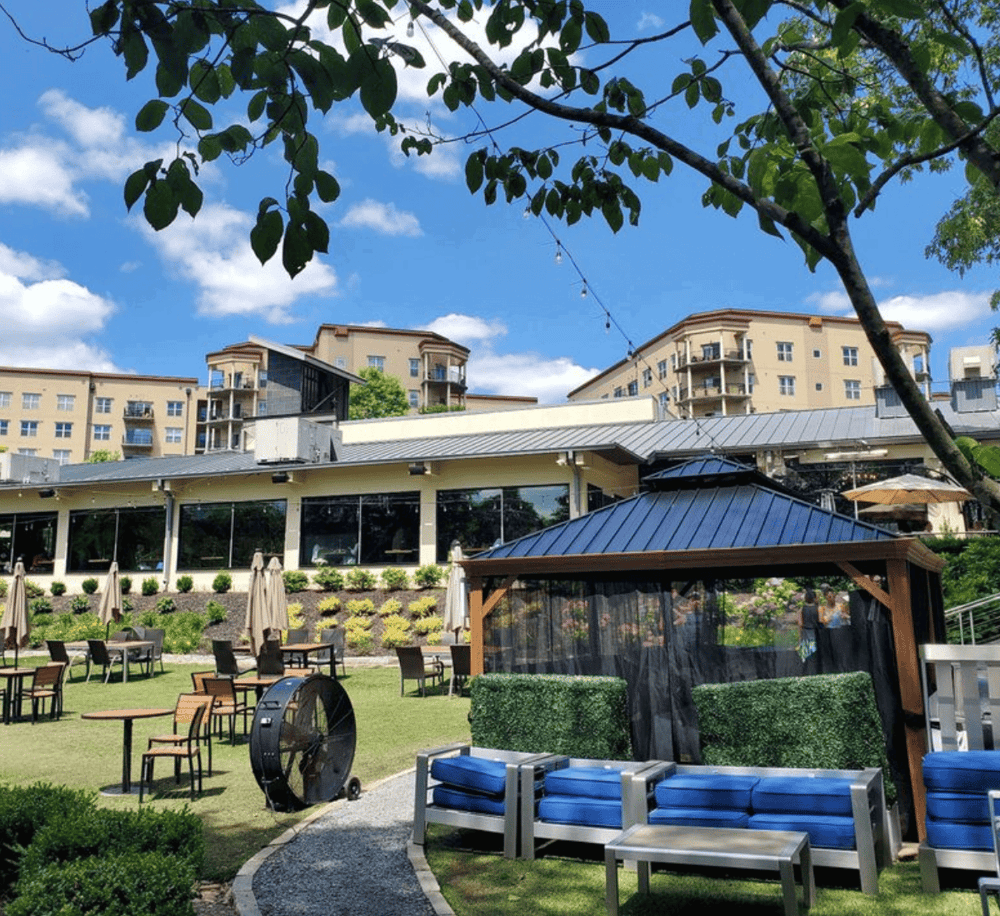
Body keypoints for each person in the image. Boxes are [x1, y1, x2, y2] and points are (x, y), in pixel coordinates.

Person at [798, 588, 818, 661]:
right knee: (815, 653)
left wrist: (799, 637)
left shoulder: (802, 609)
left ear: (805, 598)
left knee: (806, 653)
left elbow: (800, 623)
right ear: (814, 598)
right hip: (816, 632)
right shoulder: (818, 609)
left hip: (806, 632)